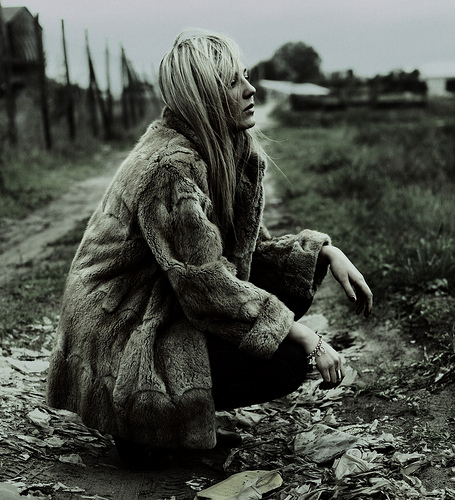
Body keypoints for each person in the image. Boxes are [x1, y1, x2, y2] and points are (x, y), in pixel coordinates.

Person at [46, 29, 373, 469]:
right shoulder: (171, 168)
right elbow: (205, 286)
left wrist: (324, 253)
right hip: (118, 326)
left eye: (246, 76)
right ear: (204, 98)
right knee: (289, 359)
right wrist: (305, 336)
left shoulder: (230, 150)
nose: (250, 89)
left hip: (163, 300)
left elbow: (246, 253)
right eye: (233, 83)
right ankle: (141, 420)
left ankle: (181, 411)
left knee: (290, 283)